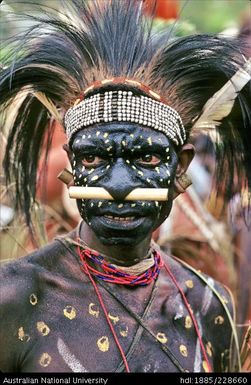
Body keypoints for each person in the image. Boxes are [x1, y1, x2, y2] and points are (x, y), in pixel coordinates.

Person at [0, 0, 250, 373]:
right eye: (93, 159)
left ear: (179, 166)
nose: (119, 187)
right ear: (71, 163)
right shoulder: (14, 298)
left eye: (147, 159)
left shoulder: (210, 305)